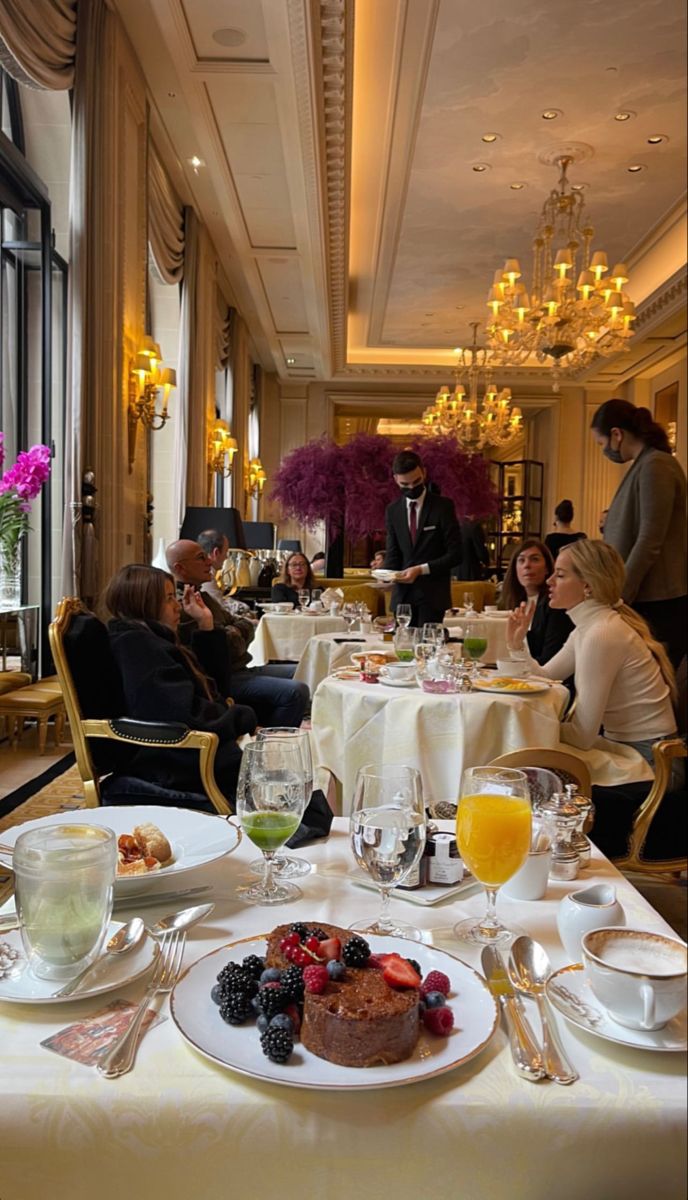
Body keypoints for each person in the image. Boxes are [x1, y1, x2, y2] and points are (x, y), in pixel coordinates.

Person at [507, 539, 677, 765]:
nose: (549, 581)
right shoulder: (590, 628)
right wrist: (517, 645)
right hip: (629, 748)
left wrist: (526, 724)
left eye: (559, 575)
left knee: (528, 764)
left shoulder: (601, 633)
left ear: (587, 585)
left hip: (650, 761)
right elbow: (545, 677)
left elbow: (583, 735)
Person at [104, 564, 256, 808]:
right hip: (174, 764)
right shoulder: (137, 647)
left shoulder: (150, 637)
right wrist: (243, 717)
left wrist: (205, 624)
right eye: (167, 599)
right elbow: (186, 717)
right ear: (143, 602)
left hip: (188, 754)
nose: (177, 606)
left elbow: (214, 689)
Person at [166, 539, 309, 728]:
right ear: (180, 568)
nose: (209, 561)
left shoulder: (203, 596)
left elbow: (241, 627)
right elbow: (228, 646)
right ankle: (269, 746)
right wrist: (237, 630)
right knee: (297, 690)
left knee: (307, 668)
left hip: (241, 668)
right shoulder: (184, 605)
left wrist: (235, 630)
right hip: (223, 678)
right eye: (201, 558)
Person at [591, 397, 687, 668]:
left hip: (657, 598)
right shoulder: (645, 465)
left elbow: (649, 539)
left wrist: (621, 594)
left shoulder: (657, 465)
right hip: (646, 596)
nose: (604, 451)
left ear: (617, 435)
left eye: (601, 443)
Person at [384, 449, 462, 626]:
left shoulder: (443, 507)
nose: (412, 488)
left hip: (433, 596)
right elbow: (393, 553)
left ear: (424, 472)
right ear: (395, 479)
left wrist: (420, 569)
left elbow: (456, 554)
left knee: (429, 648)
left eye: (416, 481)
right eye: (405, 484)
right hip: (402, 598)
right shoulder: (393, 510)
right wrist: (386, 575)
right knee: (403, 649)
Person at [499, 538, 573, 664]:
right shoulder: (515, 602)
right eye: (521, 560)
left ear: (547, 569)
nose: (527, 565)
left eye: (535, 559)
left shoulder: (555, 605)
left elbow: (548, 660)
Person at [196, 529, 256, 619]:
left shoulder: (207, 573)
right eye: (226, 551)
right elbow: (220, 611)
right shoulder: (206, 576)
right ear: (216, 552)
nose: (227, 556)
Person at [458, 517, 490, 581]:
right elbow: (481, 554)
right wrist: (487, 562)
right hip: (470, 574)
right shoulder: (475, 527)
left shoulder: (456, 525)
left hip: (455, 574)